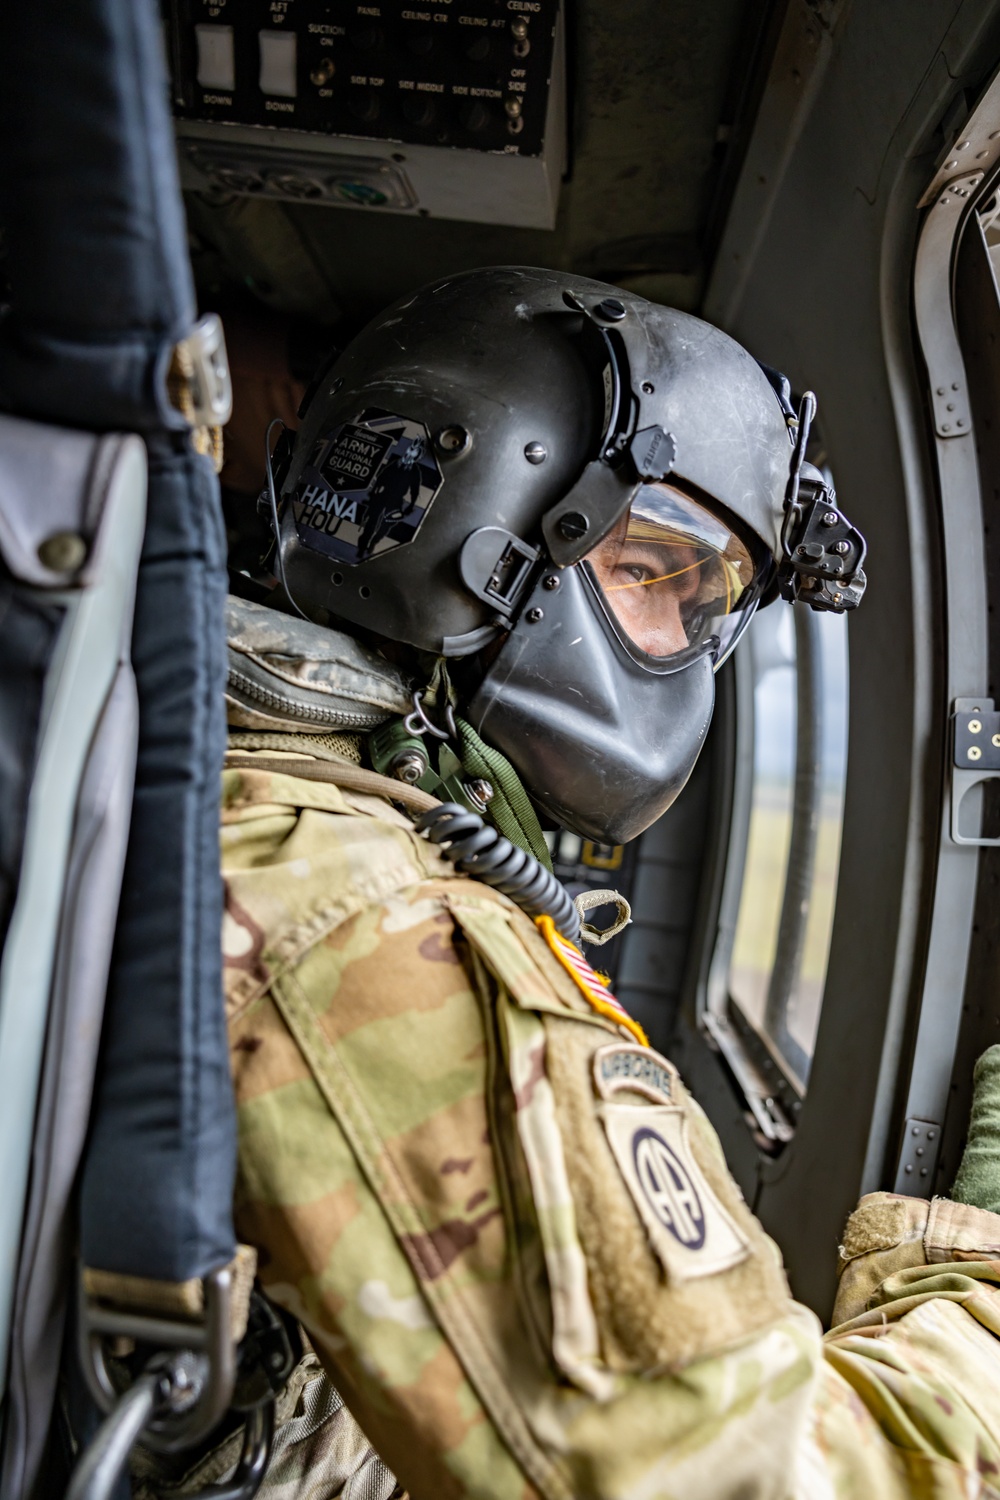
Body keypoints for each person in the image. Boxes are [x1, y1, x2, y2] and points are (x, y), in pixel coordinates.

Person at [218, 267, 1000, 1499]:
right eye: (650, 571)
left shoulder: (234, 759)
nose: (683, 658)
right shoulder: (362, 921)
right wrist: (982, 1281)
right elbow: (764, 1481)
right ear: (466, 509)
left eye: (709, 605)